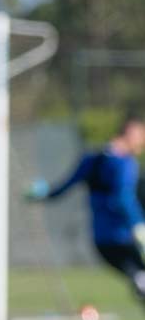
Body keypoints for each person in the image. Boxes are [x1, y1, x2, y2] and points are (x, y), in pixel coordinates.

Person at [28, 111, 145, 305]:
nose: (141, 143)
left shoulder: (91, 159)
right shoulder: (125, 164)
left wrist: (43, 193)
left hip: (101, 241)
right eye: (141, 137)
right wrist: (138, 225)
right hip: (124, 239)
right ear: (130, 133)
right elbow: (122, 198)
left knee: (140, 279)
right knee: (141, 279)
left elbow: (65, 186)